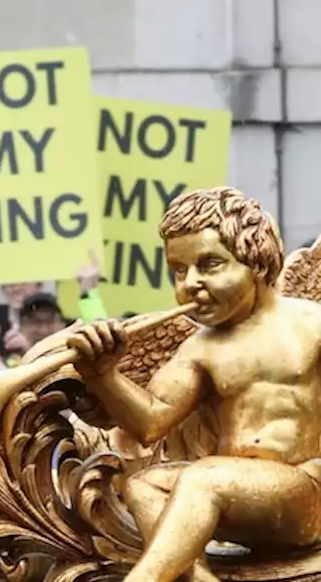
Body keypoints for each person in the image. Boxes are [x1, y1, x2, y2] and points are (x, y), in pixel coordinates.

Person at [69, 188, 321, 581]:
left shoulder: (311, 325)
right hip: (235, 495)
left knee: (203, 478)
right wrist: (103, 375)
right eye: (179, 271)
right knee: (145, 486)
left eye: (210, 265)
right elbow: (150, 424)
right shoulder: (199, 349)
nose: (190, 284)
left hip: (306, 496)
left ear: (254, 260)